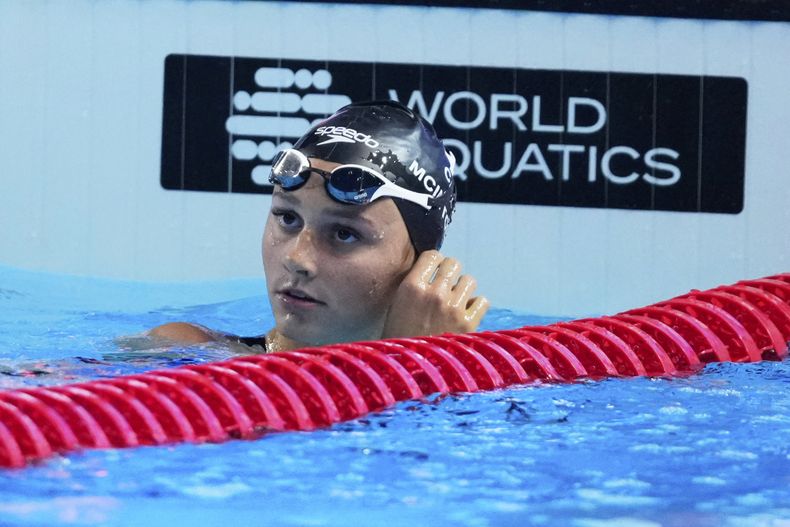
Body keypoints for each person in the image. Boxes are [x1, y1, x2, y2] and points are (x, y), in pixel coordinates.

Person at [150, 100, 489, 352]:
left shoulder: (482, 387)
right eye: (287, 218)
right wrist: (409, 363)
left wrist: (417, 361)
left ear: (419, 263)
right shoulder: (182, 352)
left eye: (344, 233)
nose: (296, 258)